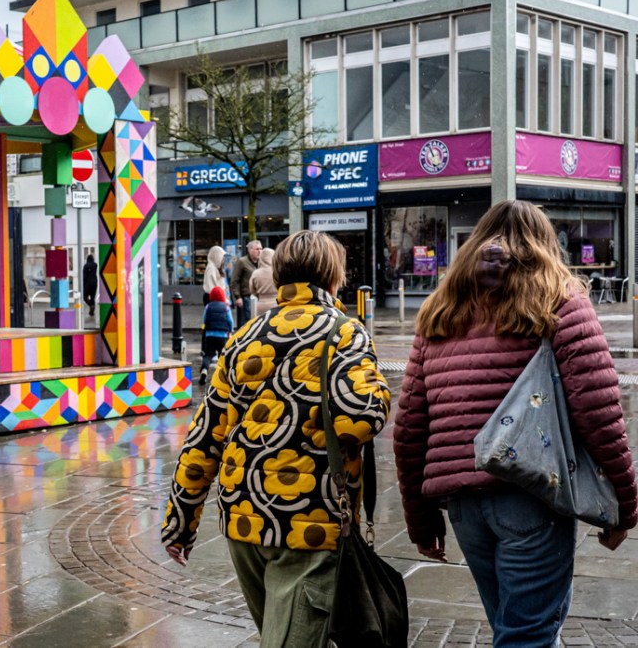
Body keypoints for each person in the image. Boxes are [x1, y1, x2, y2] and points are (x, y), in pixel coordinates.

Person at [393, 200, 637, 646]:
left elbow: (409, 427)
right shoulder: (560, 301)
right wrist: (625, 501)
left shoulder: (440, 312)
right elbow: (600, 412)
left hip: (463, 504)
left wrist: (420, 519)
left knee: (516, 627)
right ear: (545, 245)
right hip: (532, 493)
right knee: (527, 634)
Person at [163, 230, 390, 647]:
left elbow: (205, 436)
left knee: (280, 633)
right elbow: (362, 419)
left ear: (280, 274)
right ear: (334, 277)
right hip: (308, 519)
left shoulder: (244, 336)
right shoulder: (345, 333)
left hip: (243, 518)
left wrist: (180, 521)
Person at [198, 285, 232, 385]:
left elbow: (204, 320)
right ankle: (225, 376)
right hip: (222, 336)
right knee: (223, 356)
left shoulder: (208, 306)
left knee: (208, 355)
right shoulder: (226, 307)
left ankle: (204, 371)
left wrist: (206, 329)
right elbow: (230, 321)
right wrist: (230, 331)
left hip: (210, 335)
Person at [230, 239, 261, 324]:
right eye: (257, 249)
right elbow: (234, 281)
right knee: (246, 322)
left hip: (259, 297)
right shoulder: (242, 262)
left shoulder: (261, 263)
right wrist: (238, 297)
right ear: (250, 250)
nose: (260, 251)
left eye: (261, 249)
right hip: (246, 297)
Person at [249, 247, 276, 316]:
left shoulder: (256, 273)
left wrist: (260, 295)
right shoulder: (277, 272)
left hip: (262, 304)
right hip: (276, 304)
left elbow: (252, 290)